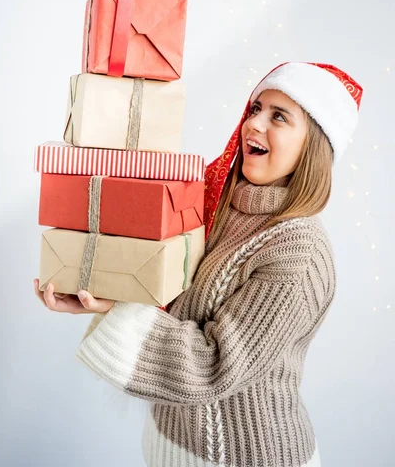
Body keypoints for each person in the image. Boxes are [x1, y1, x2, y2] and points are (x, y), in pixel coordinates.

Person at [34, 61, 363, 467]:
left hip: (248, 458)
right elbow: (163, 291)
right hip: (171, 447)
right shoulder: (214, 205)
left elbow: (214, 364)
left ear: (313, 145)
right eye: (256, 108)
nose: (253, 124)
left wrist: (116, 309)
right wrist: (96, 284)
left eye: (279, 117)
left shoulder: (299, 252)